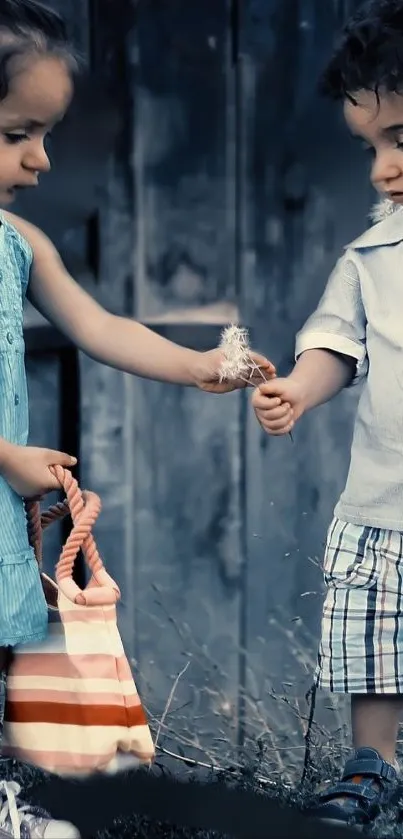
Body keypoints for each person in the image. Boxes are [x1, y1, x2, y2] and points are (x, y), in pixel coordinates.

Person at [0, 2, 274, 836]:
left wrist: (197, 365)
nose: (41, 158)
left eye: (47, 133)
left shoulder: (15, 240)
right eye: (19, 133)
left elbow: (100, 325)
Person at [252, 0, 403, 829]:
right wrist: (298, 390)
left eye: (402, 141)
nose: (382, 167)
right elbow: (335, 343)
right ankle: (371, 765)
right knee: (377, 648)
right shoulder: (374, 255)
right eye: (370, 146)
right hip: (388, 499)